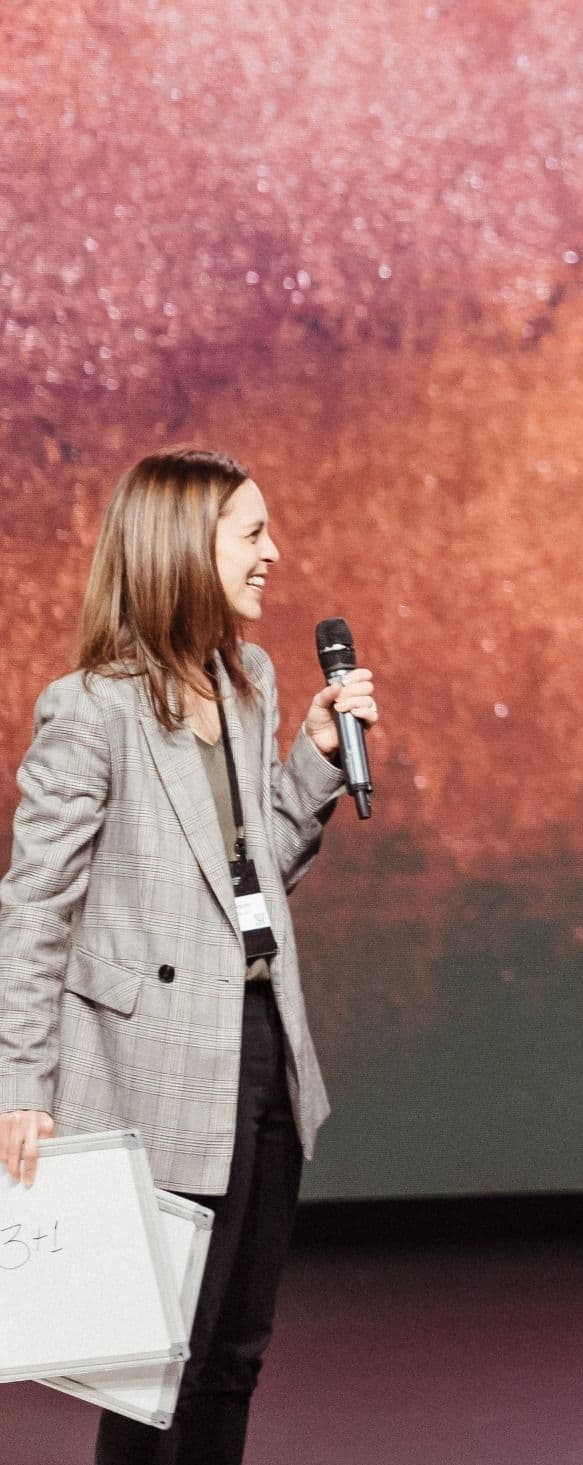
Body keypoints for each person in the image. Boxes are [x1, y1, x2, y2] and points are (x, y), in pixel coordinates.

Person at [0, 448, 382, 1465]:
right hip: (154, 1068)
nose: (274, 552)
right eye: (252, 533)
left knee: (233, 1355)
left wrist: (312, 761)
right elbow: (34, 908)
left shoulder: (248, 679)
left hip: (260, 1046)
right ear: (182, 549)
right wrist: (22, 1085)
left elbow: (254, 869)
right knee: (152, 1372)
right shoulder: (91, 710)